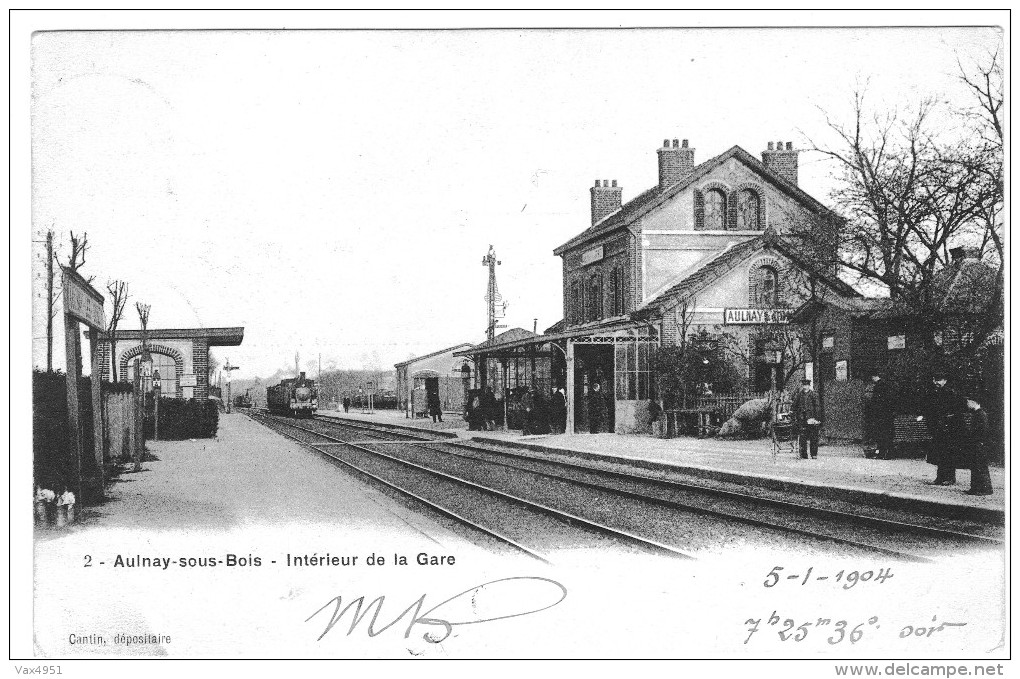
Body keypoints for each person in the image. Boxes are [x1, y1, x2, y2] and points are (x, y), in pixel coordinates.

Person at [920, 371, 966, 486]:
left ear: (945, 381)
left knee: (949, 453)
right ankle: (940, 477)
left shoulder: (951, 393)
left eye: (939, 380)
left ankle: (950, 477)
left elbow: (956, 411)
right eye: (935, 379)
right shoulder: (933, 393)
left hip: (950, 428)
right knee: (940, 453)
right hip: (938, 428)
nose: (936, 382)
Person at [965, 398, 993, 496]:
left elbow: (982, 431)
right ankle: (975, 488)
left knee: (980, 466)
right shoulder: (977, 414)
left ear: (974, 402)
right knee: (975, 466)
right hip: (976, 444)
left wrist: (977, 441)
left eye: (968, 402)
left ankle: (985, 489)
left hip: (979, 444)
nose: (967, 404)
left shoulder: (981, 414)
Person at [863, 373, 894, 459]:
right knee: (887, 435)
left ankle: (881, 454)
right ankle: (887, 454)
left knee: (881, 435)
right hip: (887, 414)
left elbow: (875, 401)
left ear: (874, 377)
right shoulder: (888, 385)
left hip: (880, 415)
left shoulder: (878, 386)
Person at [791, 378, 821, 459]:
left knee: (813, 437)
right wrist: (796, 415)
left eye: (807, 385)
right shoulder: (799, 395)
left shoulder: (813, 395)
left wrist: (817, 419)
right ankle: (804, 454)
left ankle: (814, 454)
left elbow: (817, 407)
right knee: (802, 437)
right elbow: (794, 406)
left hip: (811, 419)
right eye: (804, 385)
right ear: (802, 385)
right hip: (802, 419)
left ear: (809, 386)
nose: (805, 387)